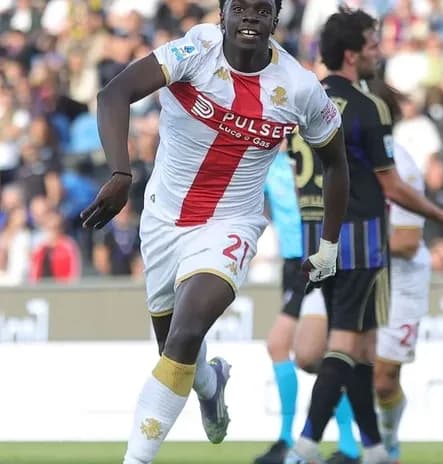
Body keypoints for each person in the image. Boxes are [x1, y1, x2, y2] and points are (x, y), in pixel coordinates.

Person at [79, 0, 350, 462]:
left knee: (185, 336)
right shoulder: (194, 52)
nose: (250, 17)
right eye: (239, 8)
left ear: (275, 19)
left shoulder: (299, 88)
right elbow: (113, 93)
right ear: (222, 15)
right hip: (163, 220)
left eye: (261, 10)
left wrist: (329, 246)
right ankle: (210, 383)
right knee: (173, 351)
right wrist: (121, 174)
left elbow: (336, 163)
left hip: (231, 223)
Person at [285, 7, 443, 464]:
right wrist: (440, 214)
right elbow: (391, 185)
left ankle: (373, 448)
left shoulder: (301, 102)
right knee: (346, 346)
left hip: (316, 240)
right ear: (352, 55)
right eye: (372, 44)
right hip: (360, 241)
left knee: (363, 346)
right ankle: (305, 447)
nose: (378, 51)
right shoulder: (368, 109)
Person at [255, 146, 360, 464]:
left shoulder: (313, 152)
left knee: (284, 346)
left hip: (314, 258)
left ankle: (297, 440)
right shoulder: (266, 159)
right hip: (291, 260)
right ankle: (343, 445)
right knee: (317, 356)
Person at [365, 79, 432, 463]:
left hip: (400, 278)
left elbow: (407, 241)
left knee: (384, 377)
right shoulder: (342, 162)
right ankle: (359, 445)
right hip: (360, 274)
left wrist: (352, 248)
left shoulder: (402, 168)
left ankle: (388, 439)